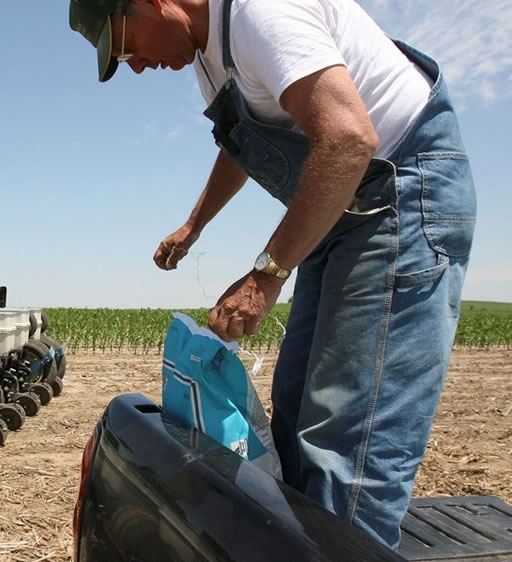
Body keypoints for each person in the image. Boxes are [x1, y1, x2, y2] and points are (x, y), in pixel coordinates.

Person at [69, 0, 476, 550]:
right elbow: (241, 144)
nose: (136, 65)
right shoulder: (208, 59)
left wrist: (268, 273)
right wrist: (194, 226)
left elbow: (349, 138)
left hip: (400, 196)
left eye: (125, 44)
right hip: (342, 213)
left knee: (348, 439)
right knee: (295, 404)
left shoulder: (260, 16)